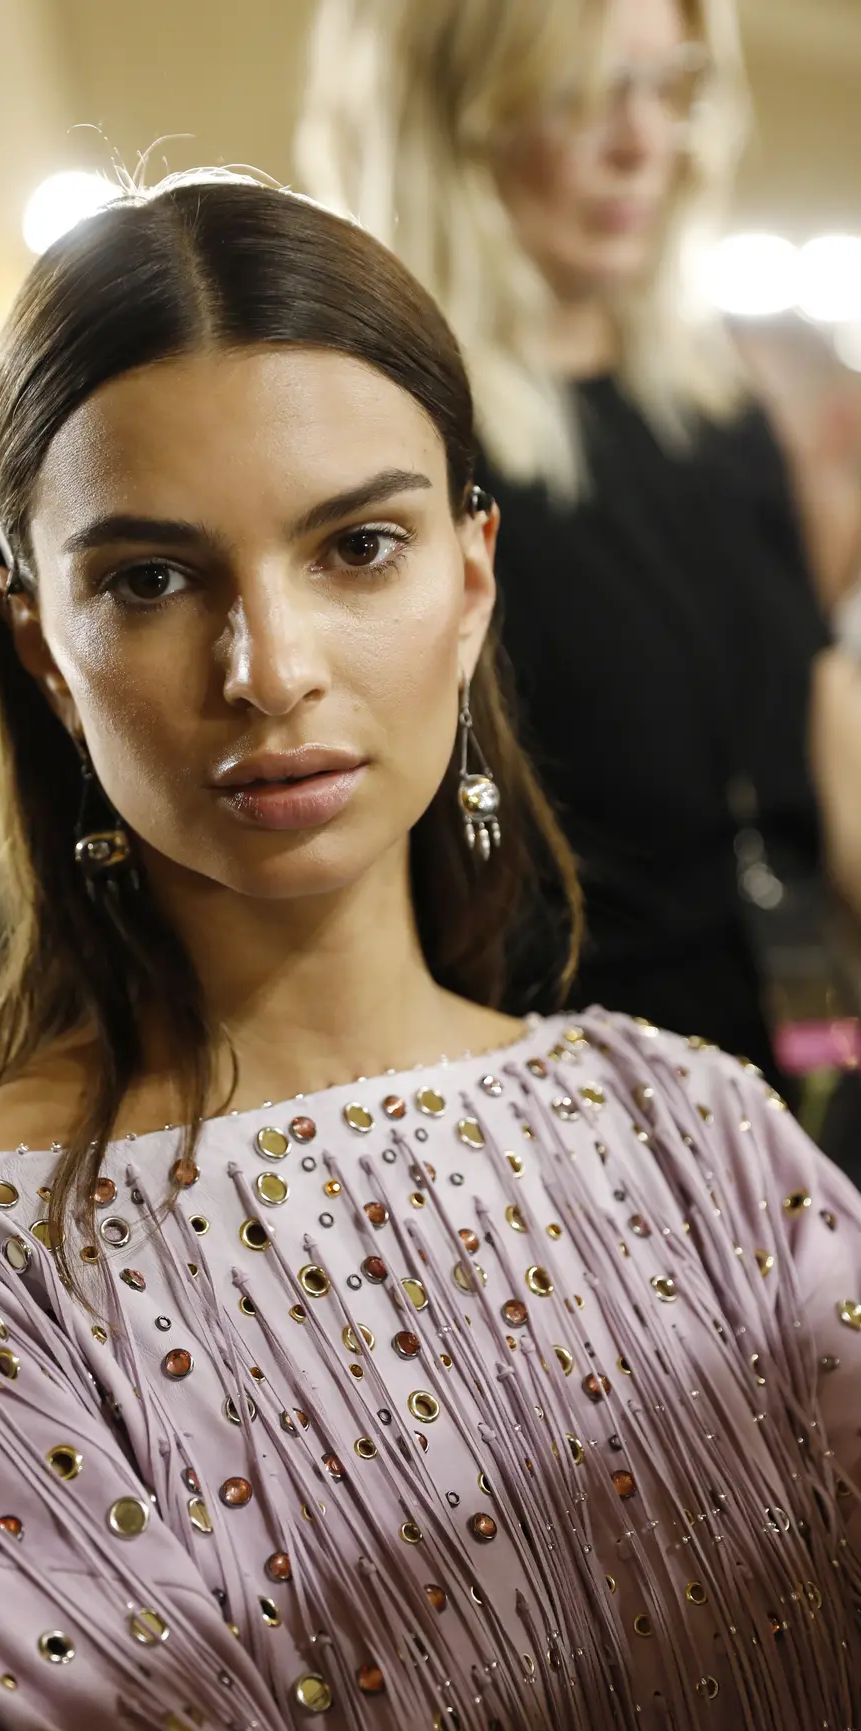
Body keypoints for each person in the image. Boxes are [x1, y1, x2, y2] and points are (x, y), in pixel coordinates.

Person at [0, 177, 861, 1731]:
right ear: (42, 649)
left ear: (471, 582)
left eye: (356, 547)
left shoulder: (700, 1139)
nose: (270, 667)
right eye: (154, 580)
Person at [297, 0, 861, 1092]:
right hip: (552, 1129)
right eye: (579, 92)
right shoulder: (388, 459)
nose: (643, 142)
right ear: (444, 121)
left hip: (788, 1088)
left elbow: (811, 778)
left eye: (670, 85)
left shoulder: (721, 416)